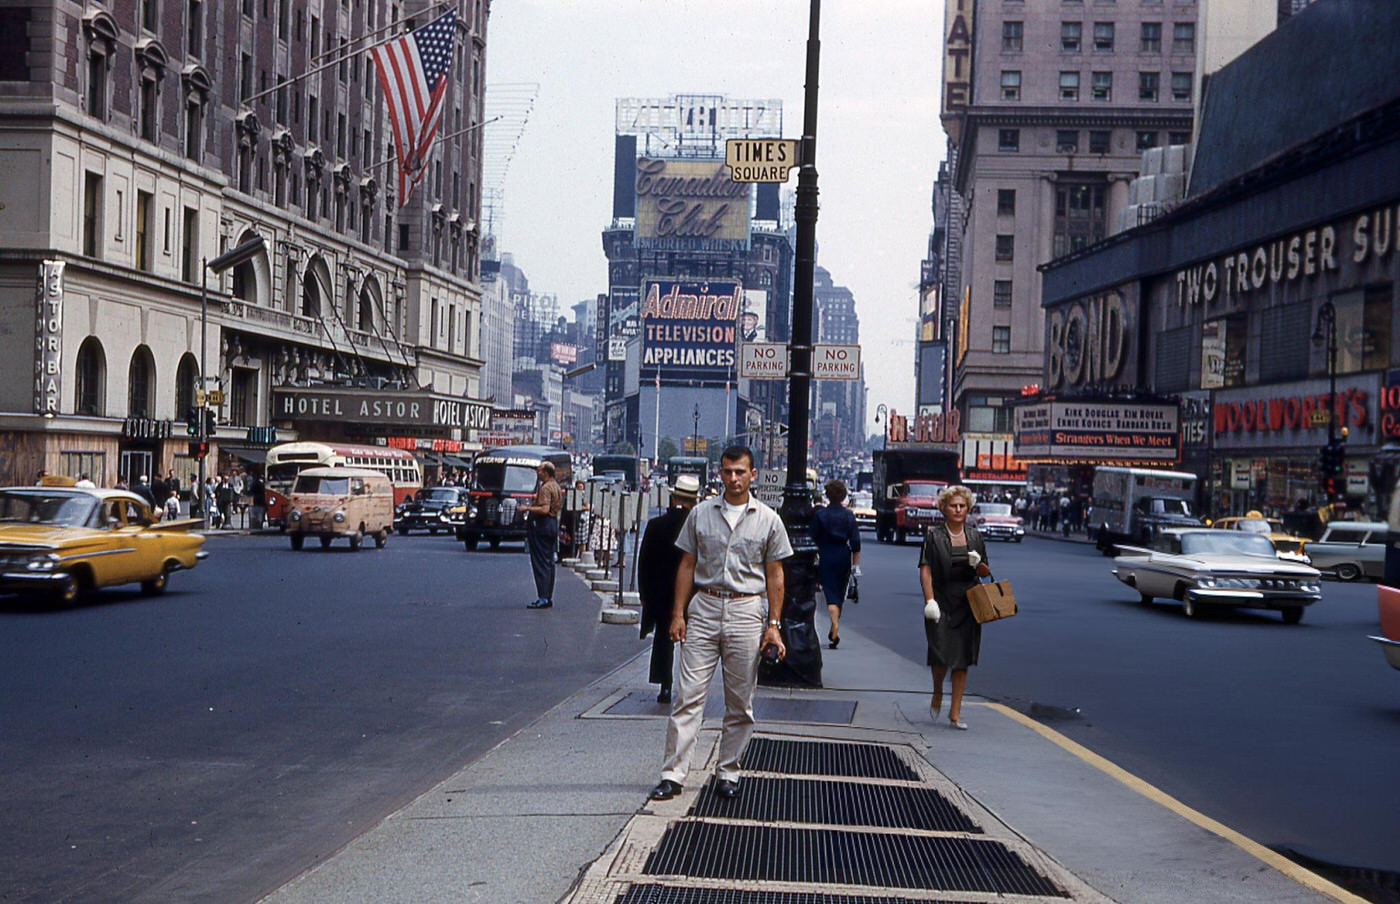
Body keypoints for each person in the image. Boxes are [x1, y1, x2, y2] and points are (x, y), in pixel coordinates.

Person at [649, 445, 792, 803]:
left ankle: (728, 770)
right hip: (705, 607)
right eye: (727, 471)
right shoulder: (700, 514)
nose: (733, 478)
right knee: (688, 694)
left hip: (746, 611)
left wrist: (773, 624)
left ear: (752, 475)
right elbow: (686, 565)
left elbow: (775, 575)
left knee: (740, 701)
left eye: (740, 472)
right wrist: (678, 613)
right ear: (720, 472)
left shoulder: (768, 520)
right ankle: (674, 774)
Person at [919, 485, 991, 731]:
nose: (958, 510)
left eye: (962, 506)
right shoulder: (933, 536)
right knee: (939, 655)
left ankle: (955, 713)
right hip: (941, 600)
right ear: (944, 509)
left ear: (968, 508)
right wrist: (930, 601)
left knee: (962, 659)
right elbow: (925, 569)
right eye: (954, 506)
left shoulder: (975, 536)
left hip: (967, 602)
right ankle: (938, 689)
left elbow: (986, 572)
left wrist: (978, 563)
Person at [638, 474, 701, 704]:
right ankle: (689, 686)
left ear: (674, 498)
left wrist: (644, 593)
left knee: (663, 641)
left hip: (662, 593)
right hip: (693, 593)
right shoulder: (698, 527)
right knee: (691, 642)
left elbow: (644, 562)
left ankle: (665, 686)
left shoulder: (656, 525)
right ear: (694, 501)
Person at [811, 478, 861, 649]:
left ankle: (834, 623)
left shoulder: (821, 515)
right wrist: (855, 566)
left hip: (825, 554)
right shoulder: (849, 515)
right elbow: (856, 542)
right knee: (839, 592)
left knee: (829, 590)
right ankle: (835, 621)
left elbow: (812, 538)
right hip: (843, 555)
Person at [524, 460, 563, 609]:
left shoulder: (546, 488)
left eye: (539, 471)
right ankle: (547, 595)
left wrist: (527, 508)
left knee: (540, 562)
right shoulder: (556, 486)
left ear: (546, 473)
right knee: (548, 563)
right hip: (552, 525)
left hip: (543, 525)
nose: (537, 473)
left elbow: (545, 509)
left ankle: (543, 597)